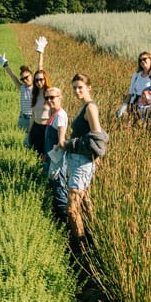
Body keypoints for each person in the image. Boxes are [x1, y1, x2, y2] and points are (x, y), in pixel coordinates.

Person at [61, 74, 104, 244]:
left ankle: (80, 245)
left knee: (72, 209)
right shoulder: (83, 107)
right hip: (77, 160)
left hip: (82, 162)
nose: (77, 91)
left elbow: (97, 138)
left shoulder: (90, 108)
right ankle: (94, 238)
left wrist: (71, 143)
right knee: (85, 202)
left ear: (89, 87)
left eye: (80, 87)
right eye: (74, 88)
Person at [0, 35, 48, 131]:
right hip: (23, 118)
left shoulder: (36, 86)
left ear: (31, 76)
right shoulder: (22, 88)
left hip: (34, 117)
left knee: (32, 140)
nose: (24, 80)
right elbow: (12, 76)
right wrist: (5, 64)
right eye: (22, 79)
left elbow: (40, 68)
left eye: (26, 77)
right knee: (23, 140)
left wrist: (40, 52)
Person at [43, 87, 68, 221]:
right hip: (51, 158)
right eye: (47, 98)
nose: (49, 100)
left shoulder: (60, 115)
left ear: (60, 97)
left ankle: (66, 222)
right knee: (54, 189)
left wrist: (52, 160)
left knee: (59, 191)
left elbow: (61, 142)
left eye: (52, 97)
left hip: (56, 161)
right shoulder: (54, 114)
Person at [116, 50, 151, 118]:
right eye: (140, 60)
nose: (142, 61)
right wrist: (123, 107)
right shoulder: (136, 75)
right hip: (134, 104)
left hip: (147, 106)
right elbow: (130, 93)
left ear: (150, 60)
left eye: (144, 59)